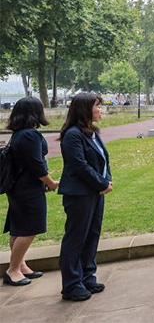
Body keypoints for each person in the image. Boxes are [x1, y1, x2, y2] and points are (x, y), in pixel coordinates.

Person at [58, 93, 112, 301]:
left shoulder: (92, 132)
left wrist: (106, 180)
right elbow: (79, 165)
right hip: (79, 194)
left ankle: (87, 276)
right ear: (85, 109)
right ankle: (71, 284)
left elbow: (103, 160)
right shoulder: (73, 135)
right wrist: (101, 183)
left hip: (95, 192)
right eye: (97, 106)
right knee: (76, 238)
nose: (100, 110)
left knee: (92, 235)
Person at [3, 97, 59, 286]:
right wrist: (50, 182)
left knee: (18, 228)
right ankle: (13, 270)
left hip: (18, 187)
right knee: (30, 228)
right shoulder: (29, 135)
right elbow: (36, 165)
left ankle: (20, 265)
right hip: (28, 189)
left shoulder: (18, 134)